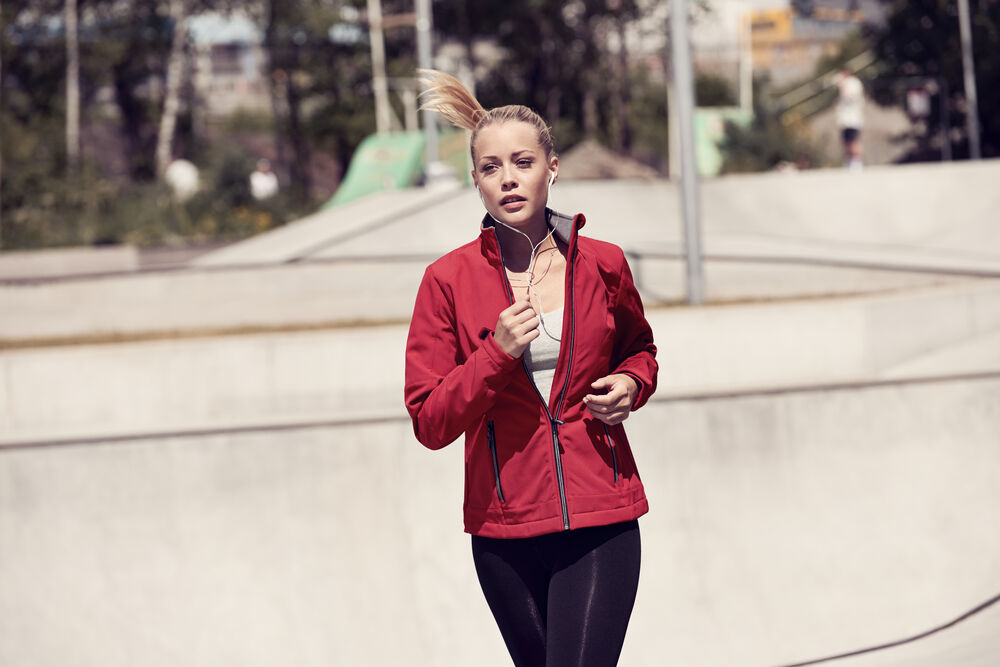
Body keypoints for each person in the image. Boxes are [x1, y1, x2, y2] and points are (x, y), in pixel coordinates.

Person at [404, 70, 658, 667]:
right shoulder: (446, 280)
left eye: (523, 162)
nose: (508, 178)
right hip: (503, 532)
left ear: (552, 168)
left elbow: (640, 350)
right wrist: (496, 354)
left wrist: (631, 383)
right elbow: (430, 421)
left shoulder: (603, 264)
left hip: (600, 516)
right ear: (475, 181)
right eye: (490, 167)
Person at [835, 70, 865, 170]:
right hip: (844, 120)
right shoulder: (846, 83)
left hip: (853, 119)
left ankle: (857, 161)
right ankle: (849, 161)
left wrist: (842, 85)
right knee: (846, 142)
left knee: (854, 141)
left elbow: (850, 96)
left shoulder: (854, 83)